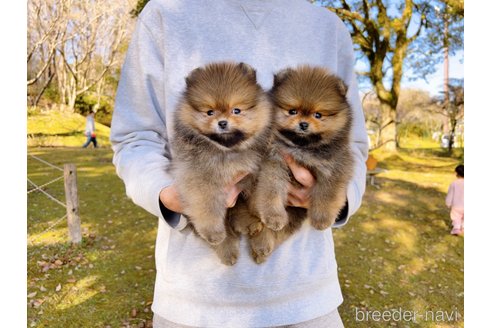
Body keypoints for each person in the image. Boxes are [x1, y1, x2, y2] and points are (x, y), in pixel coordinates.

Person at [110, 0, 368, 327]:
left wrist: (335, 199)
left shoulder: (328, 27)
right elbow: (136, 136)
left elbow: (354, 143)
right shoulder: (165, 14)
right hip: (194, 304)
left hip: (307, 299)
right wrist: (169, 196)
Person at [446, 164, 464, 235]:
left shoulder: (454, 183)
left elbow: (450, 194)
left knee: (456, 217)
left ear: (457, 173)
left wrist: (448, 203)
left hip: (456, 206)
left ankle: (456, 228)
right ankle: (464, 227)